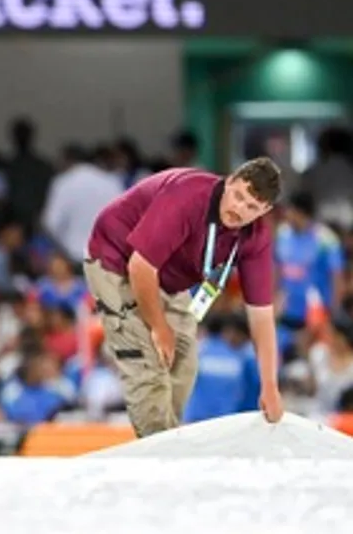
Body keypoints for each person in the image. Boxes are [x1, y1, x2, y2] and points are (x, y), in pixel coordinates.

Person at [82, 158, 285, 438]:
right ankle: (159, 453)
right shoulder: (188, 196)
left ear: (265, 210)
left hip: (167, 276)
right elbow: (140, 267)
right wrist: (159, 327)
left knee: (184, 363)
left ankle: (165, 441)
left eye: (251, 207)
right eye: (238, 196)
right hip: (117, 259)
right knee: (148, 366)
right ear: (229, 181)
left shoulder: (256, 237)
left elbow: (261, 315)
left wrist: (270, 385)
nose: (239, 209)